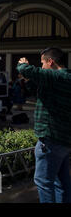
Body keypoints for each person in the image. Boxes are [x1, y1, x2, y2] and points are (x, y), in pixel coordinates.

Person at [17, 47, 71, 203]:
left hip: (50, 139)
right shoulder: (65, 78)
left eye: (42, 63)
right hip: (64, 140)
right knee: (61, 183)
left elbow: (24, 69)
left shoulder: (56, 77)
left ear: (50, 61)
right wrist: (28, 81)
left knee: (43, 182)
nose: (41, 67)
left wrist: (23, 64)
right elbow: (36, 88)